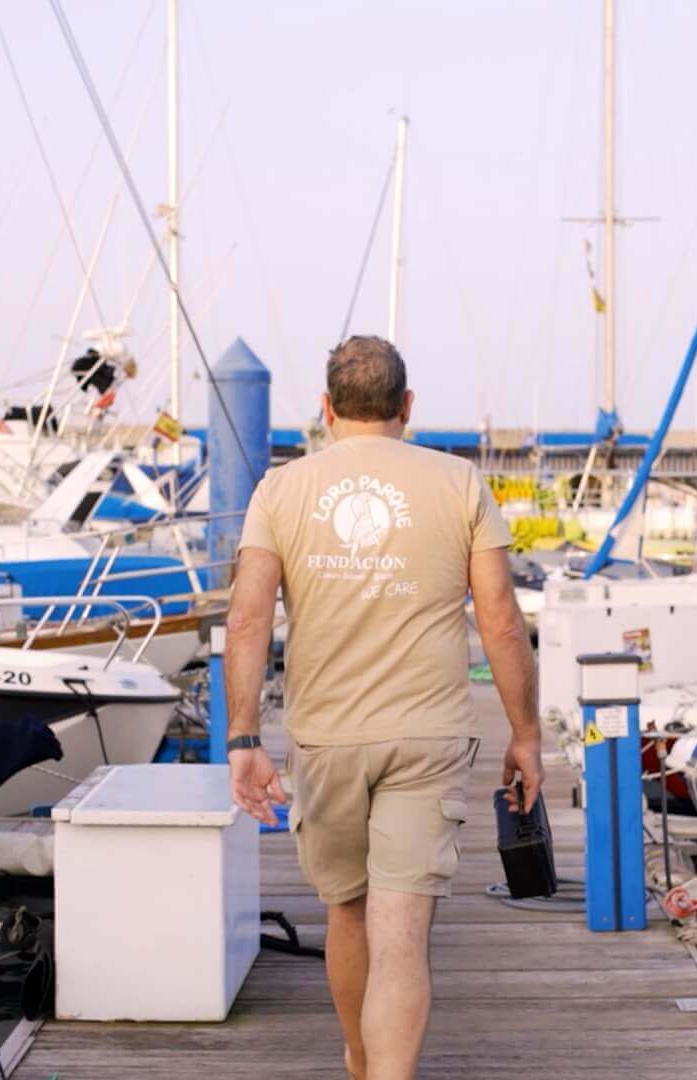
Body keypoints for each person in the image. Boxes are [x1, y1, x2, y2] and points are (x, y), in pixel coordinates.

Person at [224, 335, 543, 1080]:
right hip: (428, 735)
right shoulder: (459, 482)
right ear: (407, 406)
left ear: (327, 408)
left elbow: (246, 619)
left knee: (346, 910)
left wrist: (244, 737)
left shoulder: (281, 489)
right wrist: (525, 735)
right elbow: (500, 619)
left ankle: (360, 1061)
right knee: (401, 932)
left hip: (326, 737)